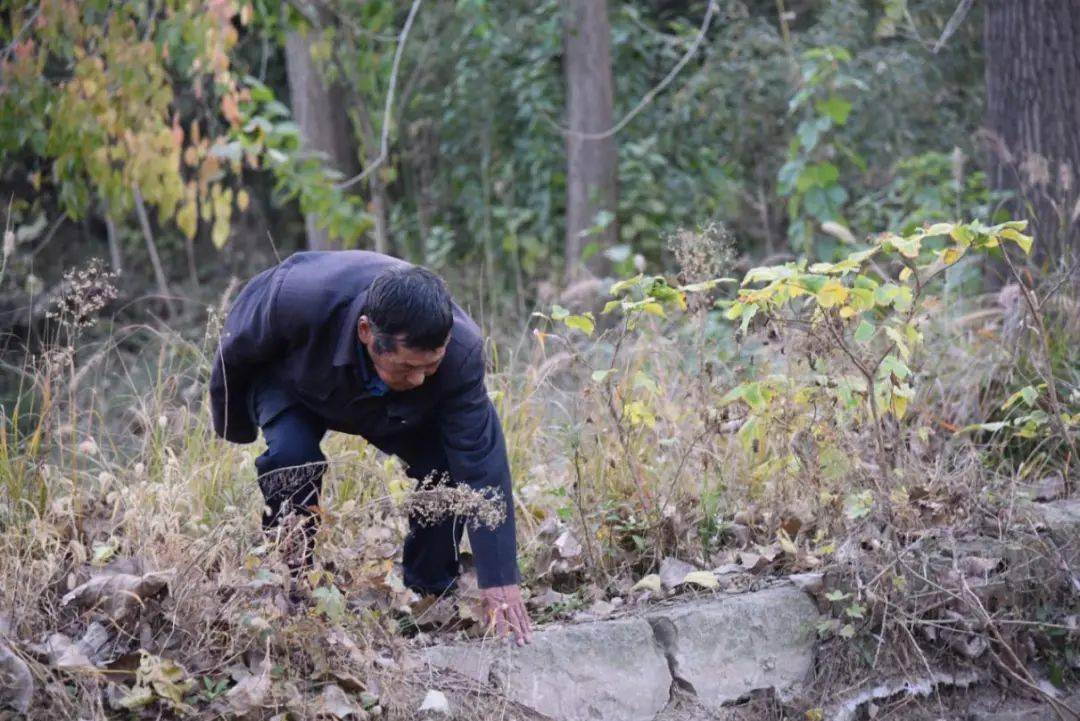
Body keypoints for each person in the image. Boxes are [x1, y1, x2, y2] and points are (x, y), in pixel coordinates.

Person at [209, 250, 532, 645]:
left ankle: (430, 589)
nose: (418, 379)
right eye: (408, 367)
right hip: (297, 383)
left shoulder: (461, 352)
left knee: (446, 467)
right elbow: (237, 350)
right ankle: (286, 584)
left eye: (430, 366)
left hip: (394, 410)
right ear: (366, 332)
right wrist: (234, 424)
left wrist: (499, 580)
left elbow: (480, 462)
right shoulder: (297, 296)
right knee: (292, 459)